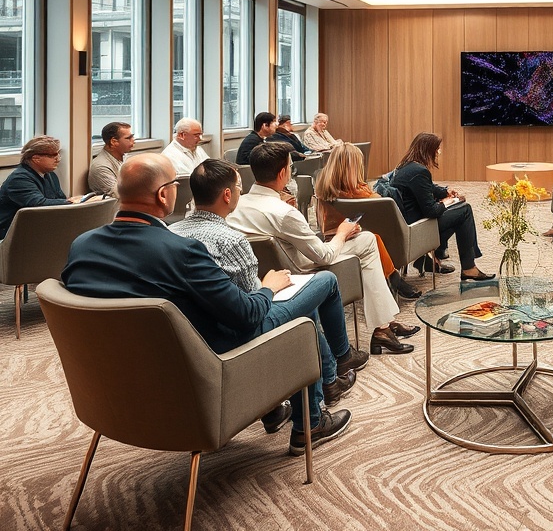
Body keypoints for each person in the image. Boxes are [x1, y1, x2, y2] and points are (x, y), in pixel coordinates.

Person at [62, 153, 353, 455]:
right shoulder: (182, 252)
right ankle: (312, 421)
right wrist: (267, 288)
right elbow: (247, 316)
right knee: (302, 313)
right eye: (174, 184)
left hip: (114, 389)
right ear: (164, 194)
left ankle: (274, 407)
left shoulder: (81, 246)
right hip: (203, 371)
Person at [169, 158, 368, 412]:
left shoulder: (172, 232)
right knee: (322, 285)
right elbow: (254, 306)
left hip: (193, 331)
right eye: (240, 187)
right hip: (235, 331)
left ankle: (313, 390)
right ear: (227, 195)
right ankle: (316, 410)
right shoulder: (230, 239)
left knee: (302, 298)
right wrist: (270, 285)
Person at [227, 142, 413, 356]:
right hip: (302, 272)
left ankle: (385, 324)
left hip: (264, 277)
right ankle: (382, 327)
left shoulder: (236, 205)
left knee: (365, 241)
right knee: (368, 240)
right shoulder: (284, 212)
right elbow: (324, 256)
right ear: (282, 173)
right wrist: (343, 232)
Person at [315, 143, 422, 302]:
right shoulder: (355, 192)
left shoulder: (324, 188)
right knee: (377, 237)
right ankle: (394, 278)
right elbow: (381, 203)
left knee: (374, 237)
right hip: (345, 238)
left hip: (331, 236)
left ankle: (393, 278)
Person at [391, 132, 491, 281]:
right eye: (437, 149)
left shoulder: (405, 167)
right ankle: (468, 267)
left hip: (407, 223)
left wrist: (446, 192)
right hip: (417, 229)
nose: (438, 153)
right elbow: (432, 210)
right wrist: (446, 202)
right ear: (428, 150)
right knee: (465, 211)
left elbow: (428, 187)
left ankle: (431, 259)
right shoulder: (420, 172)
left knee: (460, 209)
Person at [0, 136, 76, 238]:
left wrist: (74, 202)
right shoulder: (19, 179)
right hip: (12, 234)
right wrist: (74, 202)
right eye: (52, 155)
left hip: (35, 228)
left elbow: (60, 198)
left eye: (58, 154)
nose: (58, 159)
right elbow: (38, 204)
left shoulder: (50, 175)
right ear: (36, 158)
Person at [88, 121, 135, 197]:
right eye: (129, 138)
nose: (133, 140)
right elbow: (119, 196)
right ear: (114, 142)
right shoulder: (101, 167)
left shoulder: (125, 157)